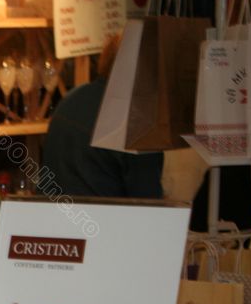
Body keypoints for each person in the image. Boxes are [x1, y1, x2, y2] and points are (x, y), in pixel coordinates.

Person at [40, 36, 164, 199]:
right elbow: (148, 202)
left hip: (54, 211)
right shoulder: (136, 120)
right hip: (106, 214)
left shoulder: (70, 99)